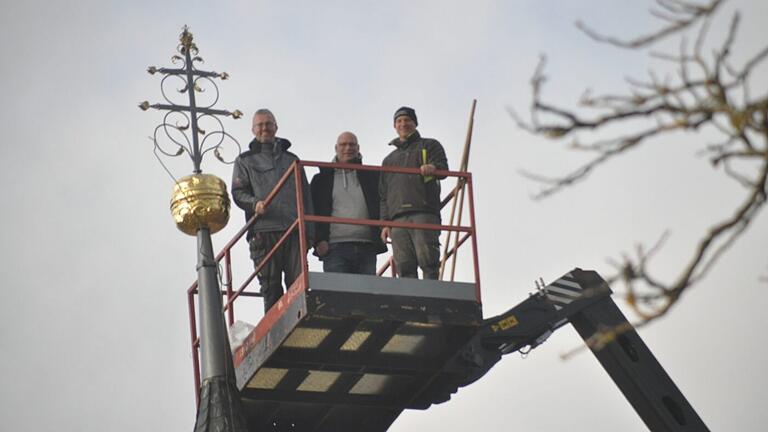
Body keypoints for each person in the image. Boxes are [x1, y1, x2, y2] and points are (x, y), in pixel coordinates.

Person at [231, 109, 314, 312]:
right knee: (271, 287)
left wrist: (310, 234)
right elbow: (238, 192)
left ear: (276, 127)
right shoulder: (245, 160)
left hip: (292, 231)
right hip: (264, 231)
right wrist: (254, 203)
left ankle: (299, 328)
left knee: (298, 286)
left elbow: (306, 198)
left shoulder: (292, 159)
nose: (264, 128)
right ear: (253, 130)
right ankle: (275, 334)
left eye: (268, 124)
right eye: (260, 125)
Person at [379, 107, 448, 279]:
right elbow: (383, 194)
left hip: (423, 212)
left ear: (415, 123)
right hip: (398, 219)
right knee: (404, 265)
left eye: (407, 120)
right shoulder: (389, 160)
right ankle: (410, 304)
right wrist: (385, 223)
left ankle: (432, 297)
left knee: (428, 261)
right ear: (395, 126)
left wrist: (434, 168)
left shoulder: (430, 145)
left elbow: (443, 168)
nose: (403, 124)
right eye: (399, 121)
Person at [310, 132, 387, 274]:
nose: (348, 148)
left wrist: (385, 226)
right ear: (336, 148)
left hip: (367, 246)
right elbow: (311, 210)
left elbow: (384, 202)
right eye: (343, 144)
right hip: (334, 248)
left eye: (352, 144)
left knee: (367, 295)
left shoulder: (373, 176)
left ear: (358, 148)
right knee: (338, 295)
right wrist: (318, 240)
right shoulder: (321, 180)